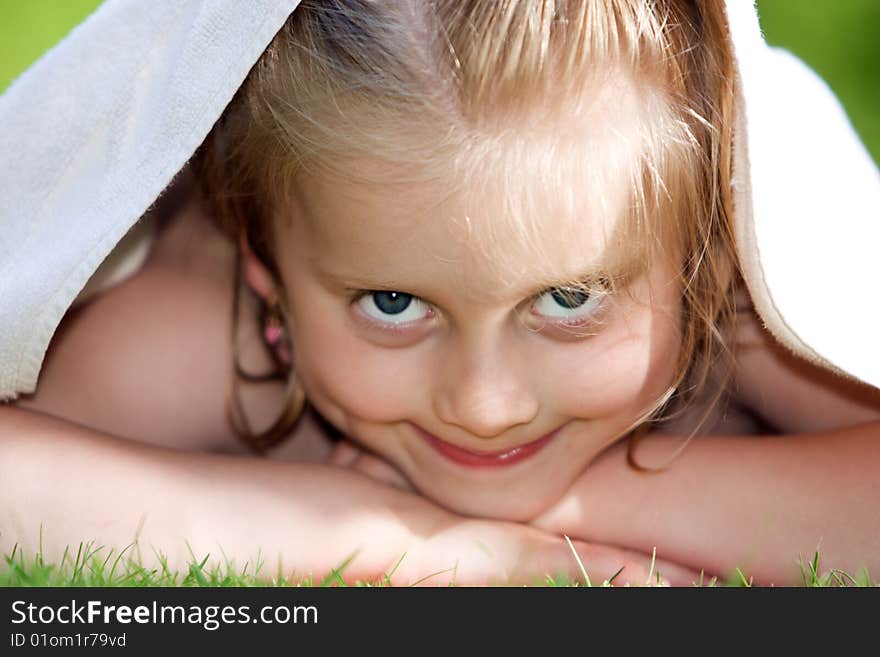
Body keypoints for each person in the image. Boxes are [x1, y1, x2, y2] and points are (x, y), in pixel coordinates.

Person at [1, 0, 878, 586]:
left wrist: (588, 499)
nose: (483, 406)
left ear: (708, 256)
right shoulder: (216, 324)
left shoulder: (735, 308)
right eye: (391, 303)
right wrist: (375, 529)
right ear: (265, 260)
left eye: (569, 298)